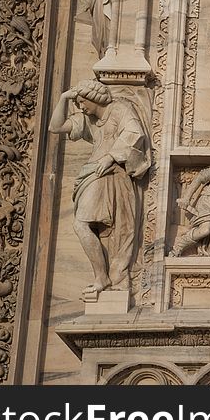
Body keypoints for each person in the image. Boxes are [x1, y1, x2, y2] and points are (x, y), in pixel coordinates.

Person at [48, 80, 150, 295]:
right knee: (82, 226)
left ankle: (106, 277)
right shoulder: (88, 120)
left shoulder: (121, 108)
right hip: (93, 173)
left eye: (82, 101)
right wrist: (63, 97)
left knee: (97, 227)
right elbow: (55, 127)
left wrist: (112, 156)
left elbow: (134, 133)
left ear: (94, 98)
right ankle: (101, 277)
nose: (81, 106)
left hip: (111, 174)